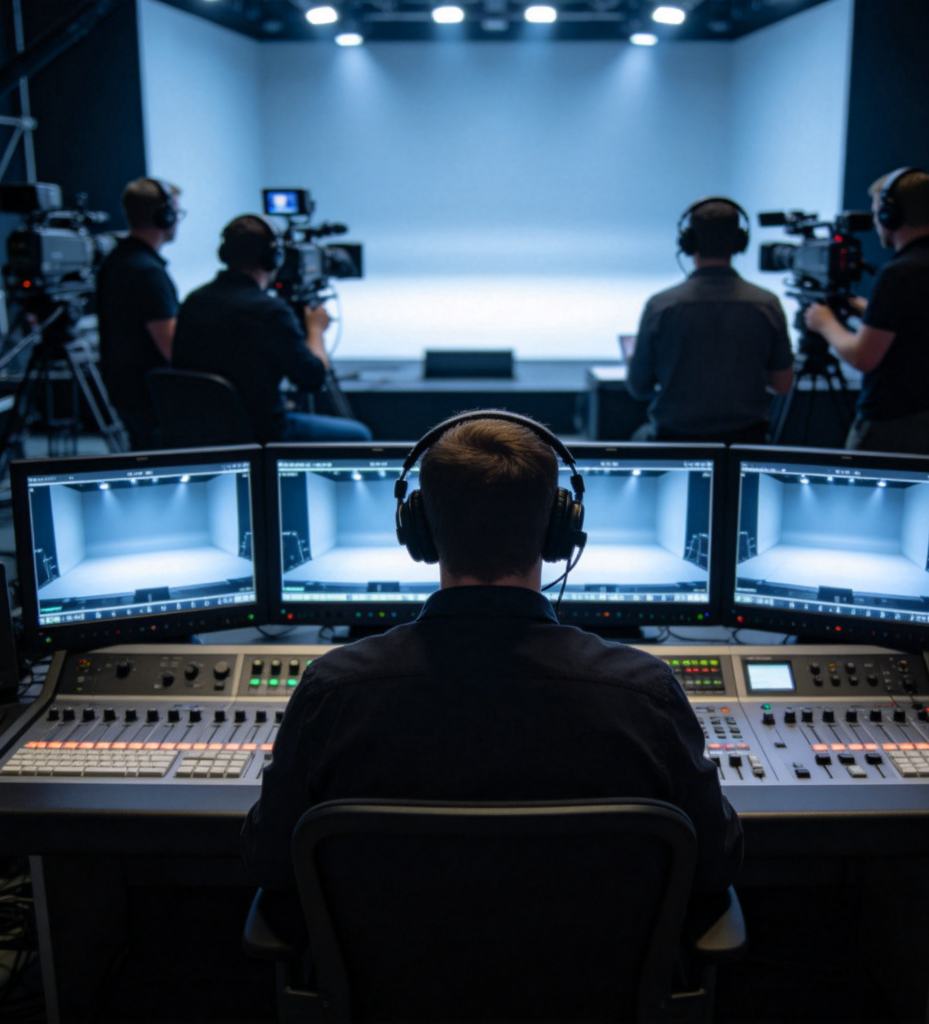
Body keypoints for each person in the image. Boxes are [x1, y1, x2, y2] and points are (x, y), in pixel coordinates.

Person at [242, 411, 742, 930]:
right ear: (558, 530)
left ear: (421, 532)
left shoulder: (333, 691)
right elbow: (714, 864)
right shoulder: (644, 695)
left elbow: (271, 862)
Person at [805, 168, 929, 454]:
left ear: (889, 214)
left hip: (891, 425)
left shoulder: (898, 274)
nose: (875, 220)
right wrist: (870, 311)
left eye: (877, 212)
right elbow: (922, 325)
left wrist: (824, 323)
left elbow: (863, 357)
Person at [171, 214, 371, 442]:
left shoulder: (193, 301)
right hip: (264, 432)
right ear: (273, 258)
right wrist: (315, 330)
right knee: (359, 435)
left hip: (202, 432)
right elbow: (312, 377)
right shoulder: (270, 312)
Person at [626, 197, 793, 443]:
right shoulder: (766, 304)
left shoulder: (661, 306)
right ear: (739, 242)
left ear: (688, 242)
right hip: (745, 445)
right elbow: (783, 384)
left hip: (672, 442)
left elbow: (639, 388)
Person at [95, 177, 183, 450]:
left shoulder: (117, 259)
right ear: (164, 216)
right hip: (151, 398)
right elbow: (172, 348)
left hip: (126, 391)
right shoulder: (149, 273)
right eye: (177, 213)